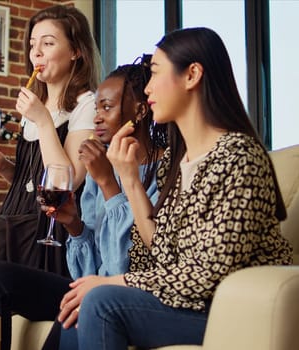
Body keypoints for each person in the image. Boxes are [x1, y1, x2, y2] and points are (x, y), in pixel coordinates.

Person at [57, 27, 293, 350]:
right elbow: (152, 256)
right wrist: (129, 181)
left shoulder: (239, 157)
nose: (149, 88)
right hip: (182, 300)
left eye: (155, 73)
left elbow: (208, 274)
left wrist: (113, 282)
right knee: (77, 312)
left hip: (226, 308)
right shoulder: (175, 163)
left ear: (192, 75)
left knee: (101, 301)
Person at [0, 56, 167, 350]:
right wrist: (74, 225)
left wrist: (107, 184)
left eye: (107, 107)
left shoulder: (163, 171)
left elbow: (124, 265)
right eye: (96, 107)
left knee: (80, 314)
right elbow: (86, 272)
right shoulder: (100, 163)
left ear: (140, 110)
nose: (97, 117)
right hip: (89, 286)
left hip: (125, 292)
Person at [0, 4, 102, 287]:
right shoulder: (37, 106)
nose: (36, 52)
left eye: (48, 43)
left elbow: (68, 182)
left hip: (48, 227)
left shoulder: (87, 104)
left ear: (76, 51)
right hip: (16, 216)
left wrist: (44, 121)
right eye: (33, 44)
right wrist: (3, 167)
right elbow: (30, 180)